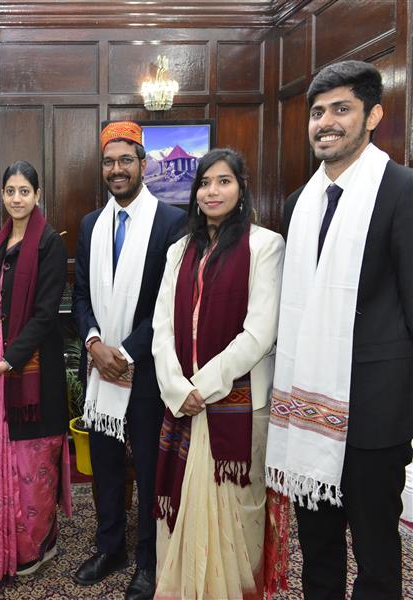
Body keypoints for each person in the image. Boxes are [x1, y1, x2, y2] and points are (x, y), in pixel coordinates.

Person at [265, 60, 413, 599]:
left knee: (375, 554)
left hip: (375, 411)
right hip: (307, 406)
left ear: (372, 116)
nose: (325, 122)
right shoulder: (298, 203)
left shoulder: (401, 190)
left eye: (341, 109)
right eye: (318, 112)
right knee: (318, 547)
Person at [150, 148, 284, 599]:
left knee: (238, 515)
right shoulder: (178, 251)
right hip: (182, 401)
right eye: (205, 183)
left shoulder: (265, 246)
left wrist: (202, 387)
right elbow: (162, 327)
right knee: (182, 510)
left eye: (224, 181)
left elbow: (259, 333)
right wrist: (175, 387)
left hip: (236, 405)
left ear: (241, 189)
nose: (212, 191)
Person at [72, 121, 185, 600]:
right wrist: (95, 345)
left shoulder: (171, 221)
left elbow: (169, 303)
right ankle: (110, 548)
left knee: (150, 469)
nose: (116, 169)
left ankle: (149, 560)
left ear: (143, 164)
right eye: (109, 162)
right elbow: (80, 295)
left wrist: (127, 352)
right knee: (106, 467)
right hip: (100, 371)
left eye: (125, 160)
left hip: (146, 372)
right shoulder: (91, 225)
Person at [0, 160, 72, 582]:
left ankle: (31, 547)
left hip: (33, 368)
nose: (16, 198)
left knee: (32, 462)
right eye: (10, 191)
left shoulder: (49, 244)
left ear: (37, 195)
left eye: (24, 191)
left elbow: (45, 315)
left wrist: (10, 359)